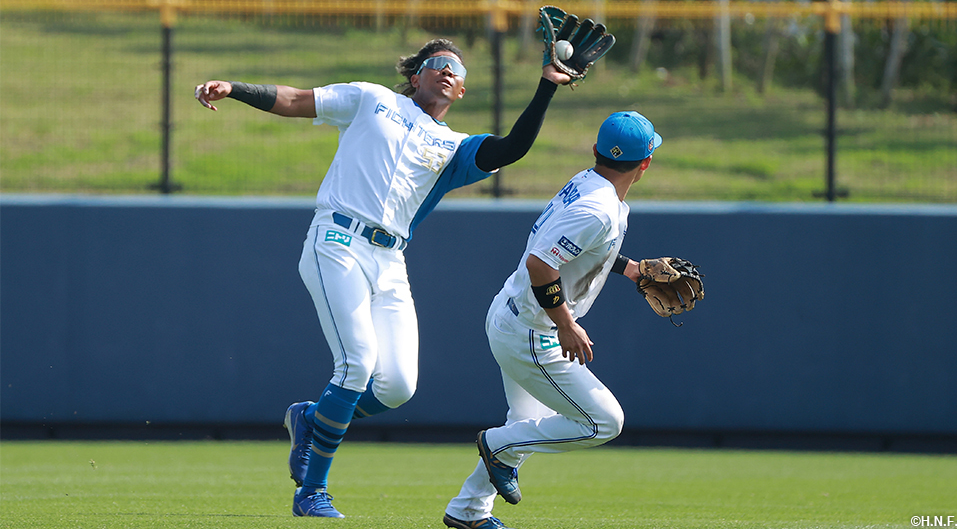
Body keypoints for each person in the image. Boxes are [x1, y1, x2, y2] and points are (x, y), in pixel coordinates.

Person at [194, 39, 573, 518]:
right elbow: (294, 99)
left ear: (460, 92)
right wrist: (235, 89)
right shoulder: (372, 98)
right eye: (438, 65)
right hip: (337, 238)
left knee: (397, 386)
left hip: (391, 259)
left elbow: (512, 147)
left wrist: (546, 86)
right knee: (356, 365)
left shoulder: (454, 147)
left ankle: (311, 419)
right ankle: (312, 491)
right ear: (416, 76)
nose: (448, 73)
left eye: (458, 71)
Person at [442, 111, 664, 529]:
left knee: (527, 425)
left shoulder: (589, 183)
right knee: (603, 421)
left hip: (512, 316)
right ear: (646, 163)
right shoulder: (598, 208)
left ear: (596, 150)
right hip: (533, 330)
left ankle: (468, 511)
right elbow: (541, 264)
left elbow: (580, 251)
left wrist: (631, 268)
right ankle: (494, 447)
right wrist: (565, 323)